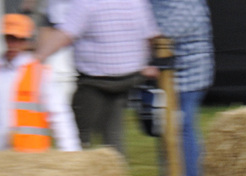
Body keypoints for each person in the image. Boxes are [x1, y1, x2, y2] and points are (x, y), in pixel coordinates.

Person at [33, 0, 155, 155]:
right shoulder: (136, 2)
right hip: (129, 77)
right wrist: (152, 62)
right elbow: (151, 35)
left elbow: (65, 35)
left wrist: (38, 57)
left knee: (77, 132)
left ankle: (76, 164)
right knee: (113, 129)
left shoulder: (87, 4)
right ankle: (115, 166)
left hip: (97, 80)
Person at [146, 0, 208, 176]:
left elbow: (169, 30)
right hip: (173, 73)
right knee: (168, 126)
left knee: (182, 127)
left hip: (186, 76)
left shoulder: (184, 5)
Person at [1, 14, 79, 151]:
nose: (14, 44)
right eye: (10, 38)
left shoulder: (39, 73)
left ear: (27, 40)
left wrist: (71, 152)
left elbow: (59, 114)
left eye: (20, 39)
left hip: (32, 158)